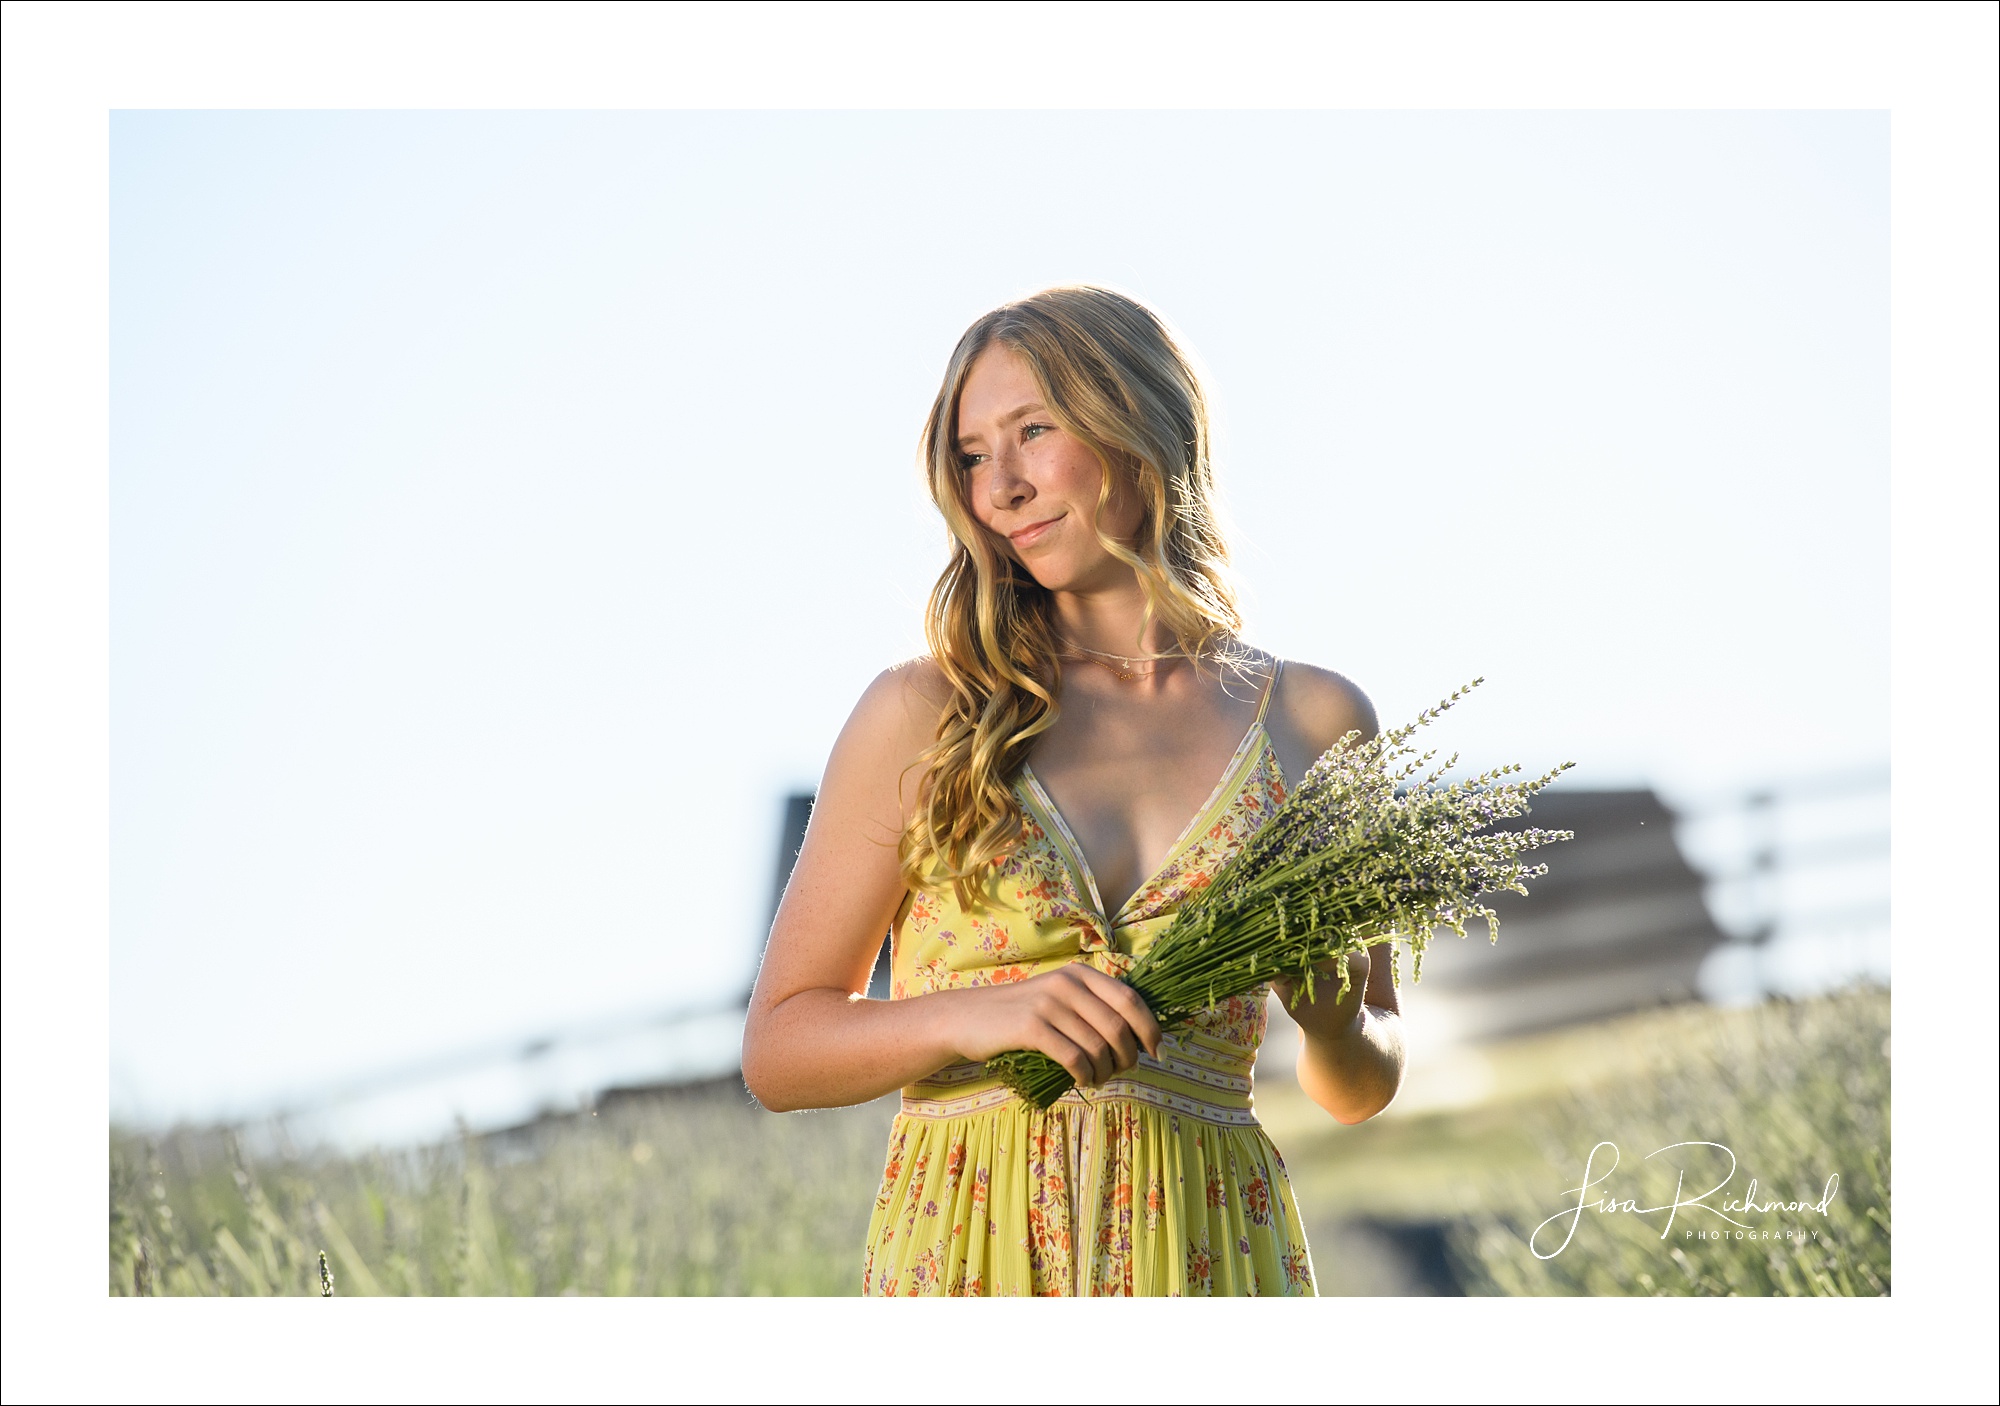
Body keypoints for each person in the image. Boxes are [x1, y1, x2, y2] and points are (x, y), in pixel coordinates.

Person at [741, 285, 1406, 1297]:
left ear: (1140, 424)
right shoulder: (924, 711)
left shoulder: (1313, 721)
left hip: (1210, 1255)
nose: (997, 487)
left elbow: (1366, 1082)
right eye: (970, 454)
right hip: (969, 1259)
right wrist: (980, 1014)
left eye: (1031, 432)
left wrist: (1332, 1025)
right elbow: (779, 1047)